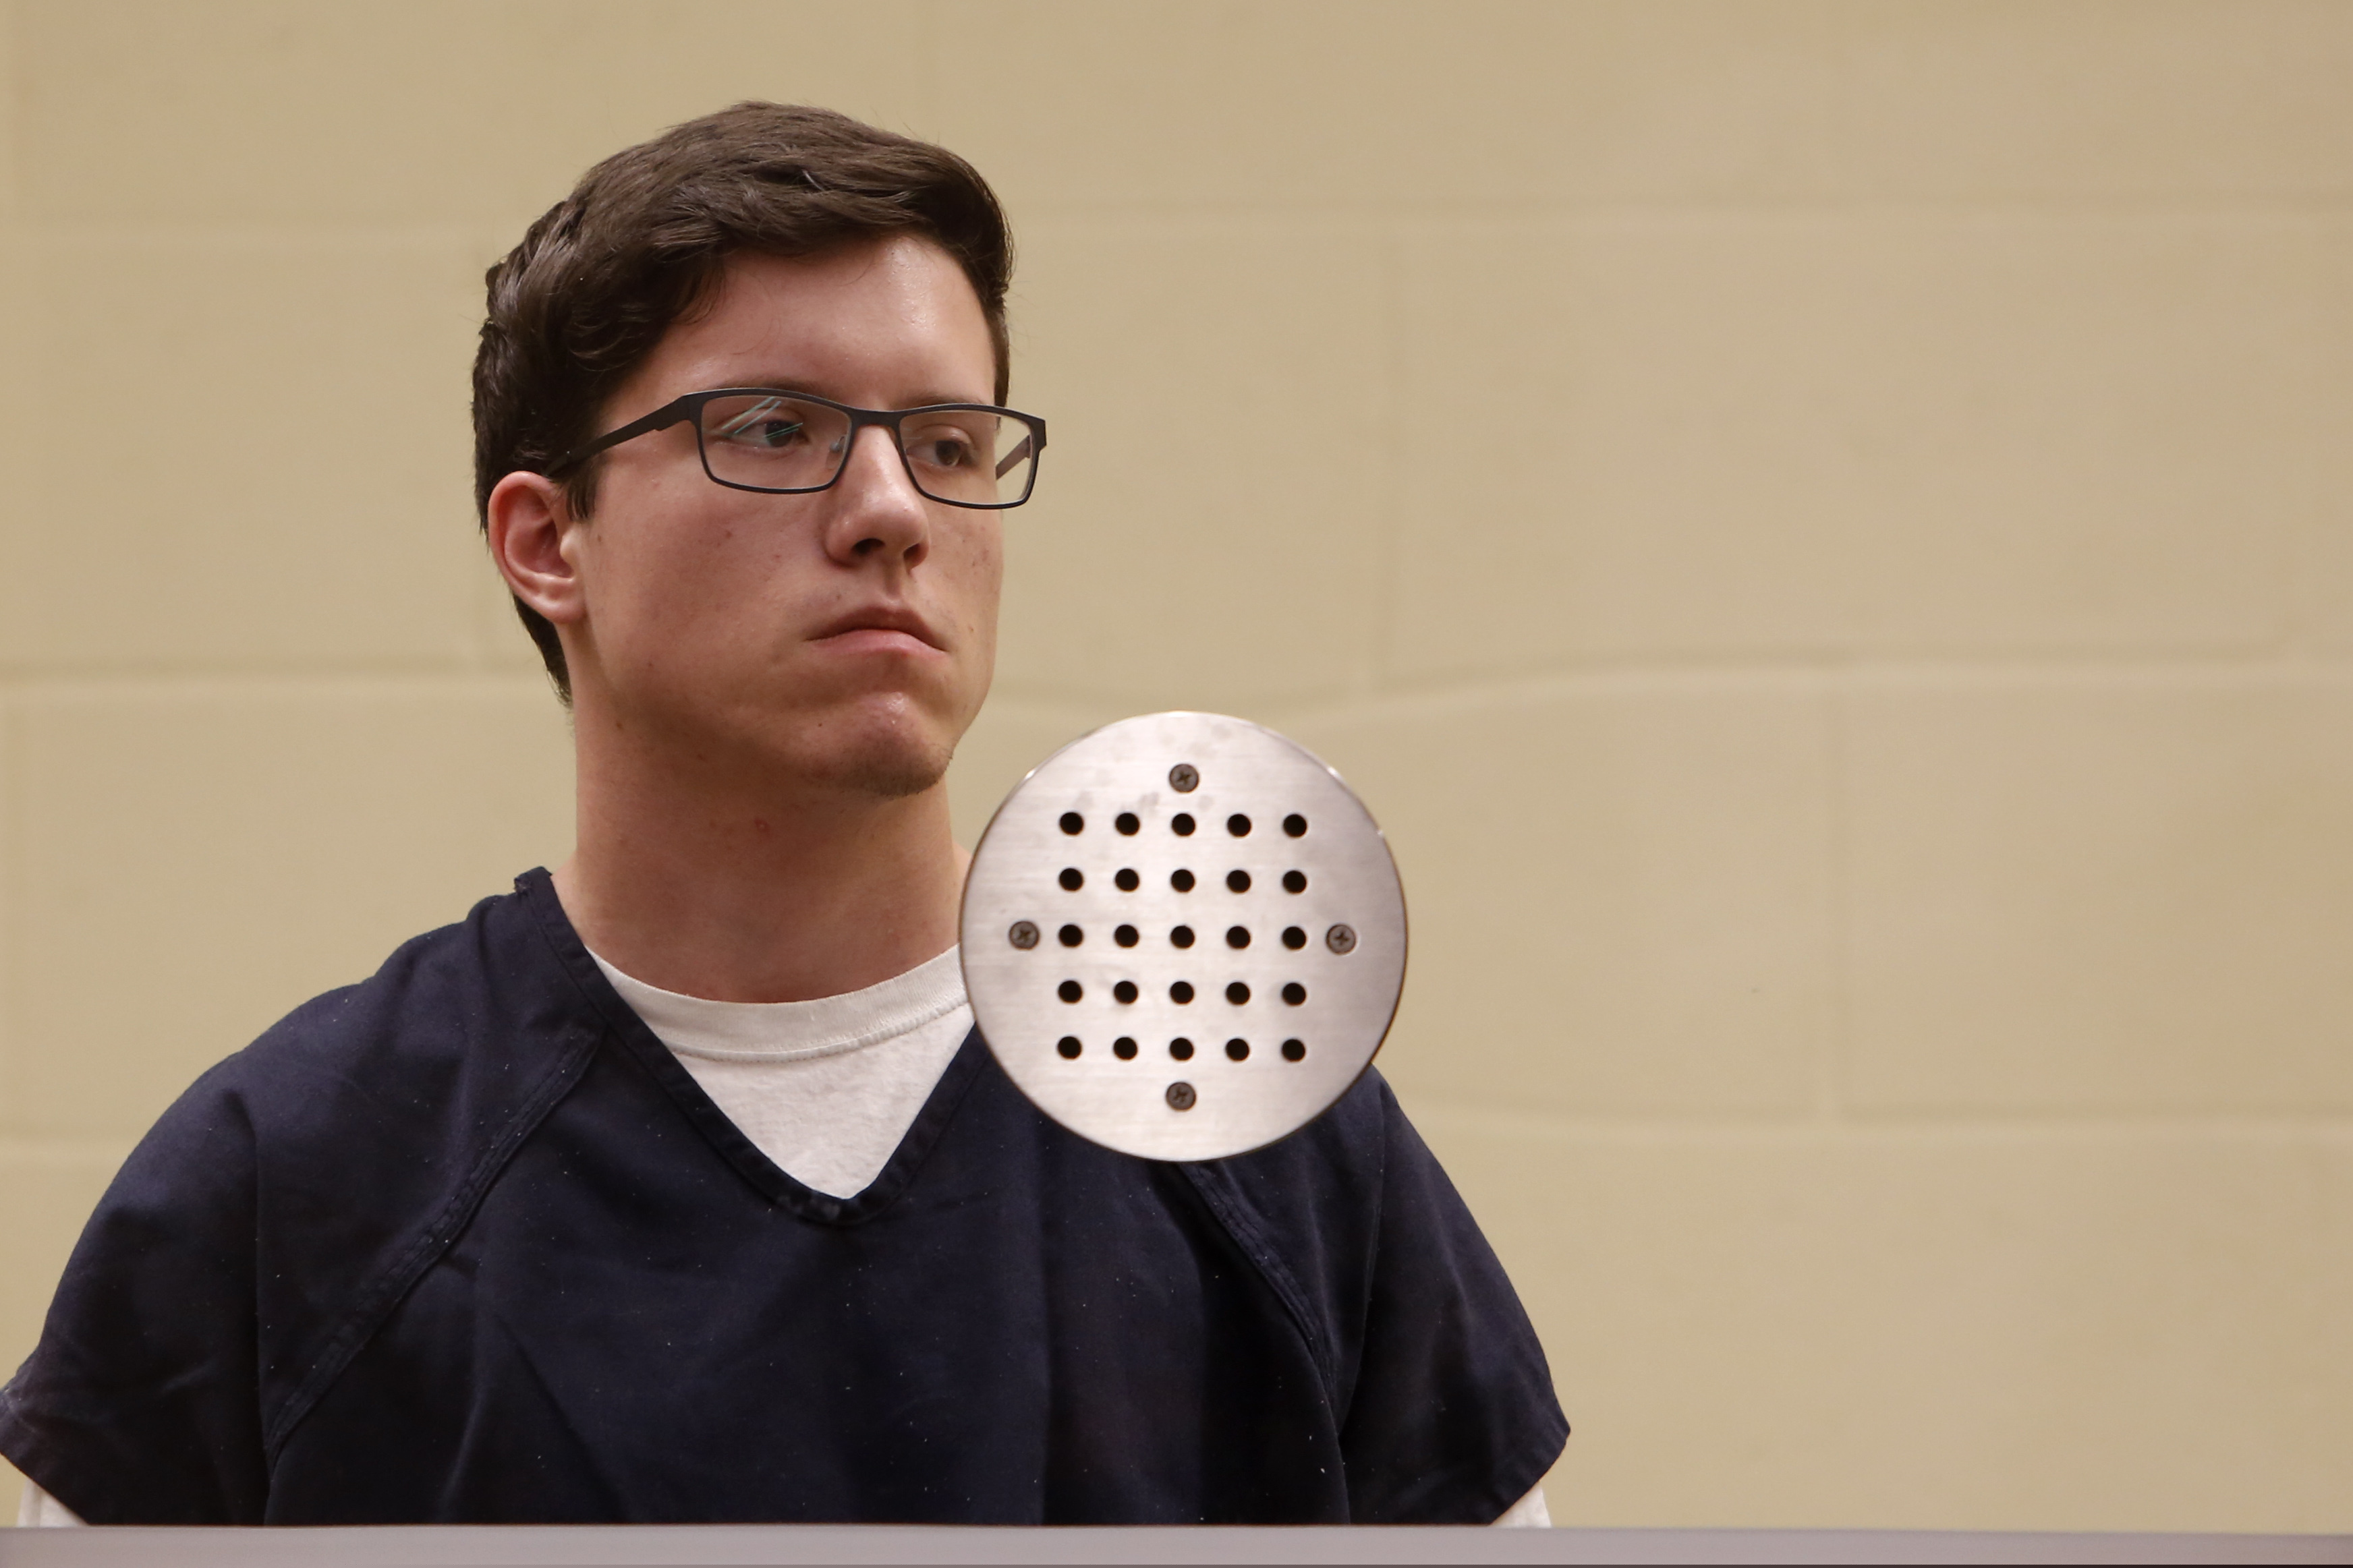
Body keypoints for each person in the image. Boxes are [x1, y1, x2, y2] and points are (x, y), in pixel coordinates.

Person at [0, 103, 1566, 1527]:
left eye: (948, 444)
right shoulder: (293, 1177)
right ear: (548, 542)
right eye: (773, 430)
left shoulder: (1247, 1117)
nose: (892, 509)